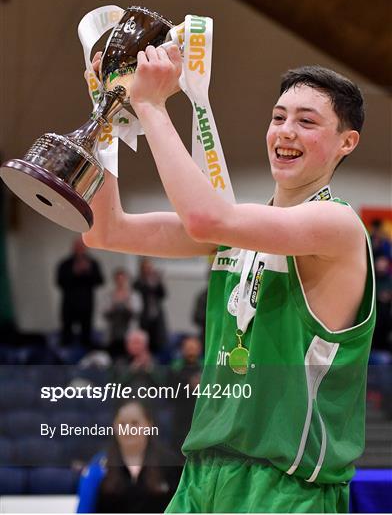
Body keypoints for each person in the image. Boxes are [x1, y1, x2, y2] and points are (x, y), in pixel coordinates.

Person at [83, 47, 375, 513]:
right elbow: (105, 230)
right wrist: (105, 112)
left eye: (307, 121)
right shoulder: (237, 227)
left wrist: (152, 106)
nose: (285, 131)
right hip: (200, 479)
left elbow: (204, 218)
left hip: (283, 488)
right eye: (279, 117)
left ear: (347, 142)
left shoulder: (337, 227)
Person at [77, 400, 182, 513]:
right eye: (122, 424)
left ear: (149, 424)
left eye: (134, 423)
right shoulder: (97, 467)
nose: (128, 429)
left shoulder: (171, 464)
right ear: (114, 426)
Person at [56, 237, 104, 347]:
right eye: (77, 247)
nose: (79, 249)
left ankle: (86, 356)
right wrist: (74, 273)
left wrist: (87, 272)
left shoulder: (92, 263)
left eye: (81, 247)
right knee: (67, 332)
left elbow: (100, 281)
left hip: (86, 303)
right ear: (72, 248)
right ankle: (66, 358)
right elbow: (59, 282)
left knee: (86, 332)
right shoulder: (65, 264)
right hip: (69, 303)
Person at [103, 268, 141, 359]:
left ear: (126, 280)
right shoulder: (109, 295)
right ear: (115, 280)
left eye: (123, 279)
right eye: (118, 280)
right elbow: (104, 313)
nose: (120, 282)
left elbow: (137, 314)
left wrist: (127, 302)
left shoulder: (134, 296)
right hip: (113, 334)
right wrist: (114, 304)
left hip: (128, 334)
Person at [133, 258, 168, 356]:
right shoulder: (138, 282)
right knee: (144, 341)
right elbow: (140, 291)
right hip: (144, 316)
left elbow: (163, 294)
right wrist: (150, 284)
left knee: (158, 340)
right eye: (146, 268)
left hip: (156, 315)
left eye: (150, 267)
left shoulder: (155, 281)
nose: (148, 270)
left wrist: (157, 282)